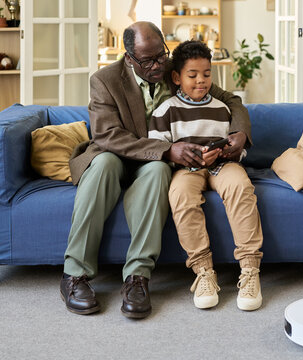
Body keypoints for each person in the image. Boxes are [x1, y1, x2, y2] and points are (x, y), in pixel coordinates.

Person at [60, 22, 251, 318]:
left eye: (161, 55)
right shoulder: (105, 80)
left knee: (159, 171)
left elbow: (230, 100)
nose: (157, 65)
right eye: (147, 60)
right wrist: (166, 149)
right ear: (129, 58)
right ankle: (74, 275)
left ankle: (138, 277)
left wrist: (239, 132)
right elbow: (107, 135)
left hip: (153, 164)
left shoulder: (175, 69)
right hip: (114, 154)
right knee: (104, 166)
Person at [149, 40, 264, 311]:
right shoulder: (166, 110)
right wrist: (179, 156)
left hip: (221, 165)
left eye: (207, 74)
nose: (201, 81)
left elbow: (236, 148)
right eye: (192, 75)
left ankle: (250, 270)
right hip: (186, 171)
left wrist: (227, 153)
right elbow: (158, 147)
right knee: (179, 194)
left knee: (240, 186)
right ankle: (203, 272)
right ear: (176, 78)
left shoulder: (223, 109)